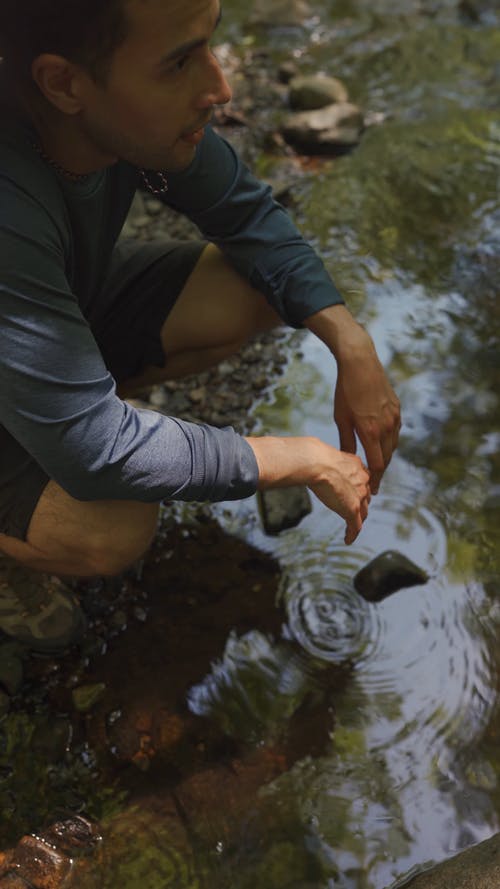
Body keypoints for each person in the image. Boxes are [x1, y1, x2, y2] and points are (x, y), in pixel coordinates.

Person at [0, 0, 401, 652]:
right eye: (179, 63)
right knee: (113, 525)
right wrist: (294, 458)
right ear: (64, 83)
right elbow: (95, 453)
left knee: (248, 290)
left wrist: (351, 342)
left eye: (210, 44)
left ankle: (71, 401)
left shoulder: (125, 125)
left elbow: (247, 216)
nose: (221, 87)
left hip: (45, 314)